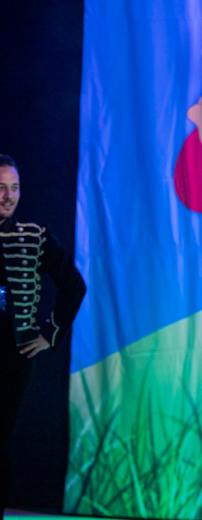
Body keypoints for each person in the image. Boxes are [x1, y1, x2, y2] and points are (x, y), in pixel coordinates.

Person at [0, 155, 86, 517]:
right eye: (1, 188)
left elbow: (74, 284)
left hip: (12, 356)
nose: (8, 195)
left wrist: (50, 332)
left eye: (14, 188)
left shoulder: (32, 236)